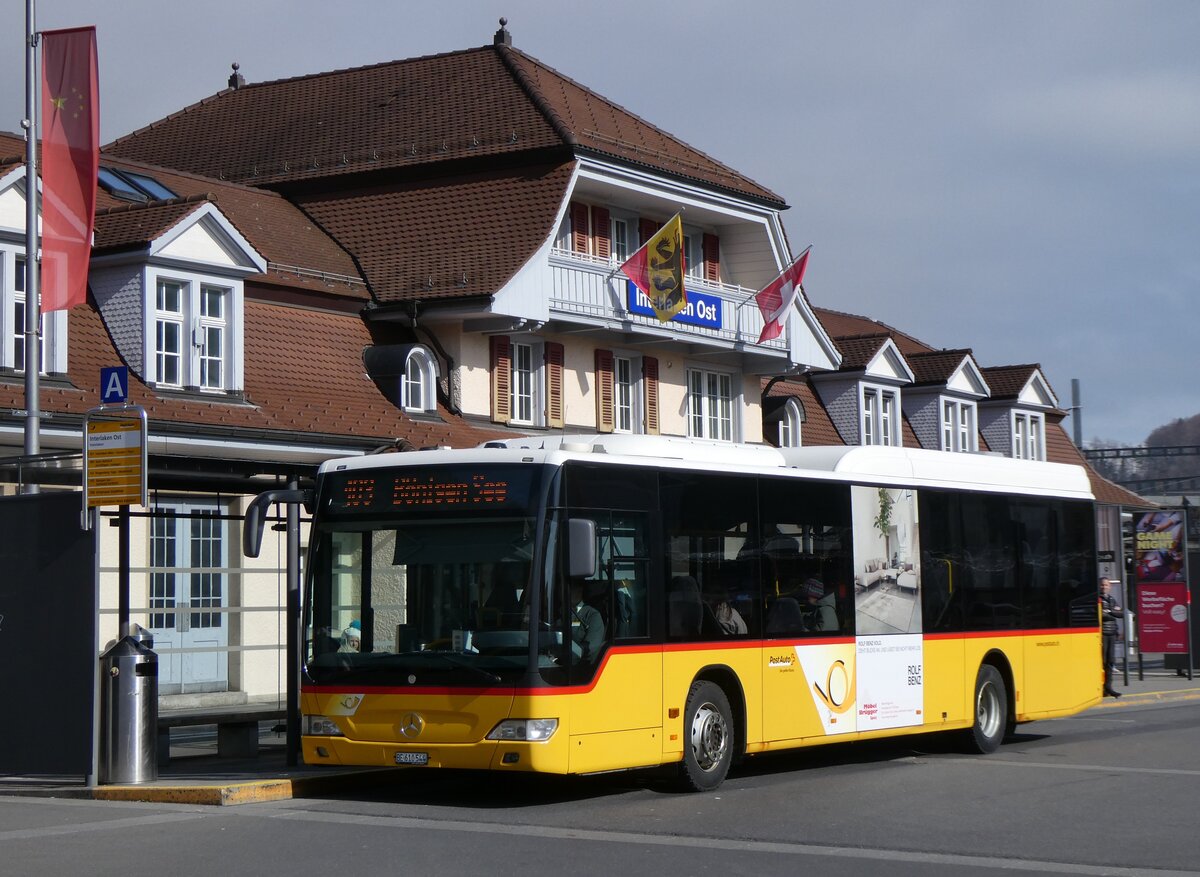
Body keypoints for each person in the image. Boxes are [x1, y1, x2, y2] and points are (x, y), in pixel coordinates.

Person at [569, 578, 605, 662]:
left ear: (580, 591)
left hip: (583, 667)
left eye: (571, 589)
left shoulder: (592, 615)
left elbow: (590, 647)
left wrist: (565, 654)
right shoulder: (561, 613)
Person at [1099, 577, 1121, 698]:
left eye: (1106, 585)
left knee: (1110, 662)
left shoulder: (1111, 599)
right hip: (1102, 634)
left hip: (1112, 633)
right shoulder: (1098, 599)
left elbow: (1121, 613)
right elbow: (1101, 615)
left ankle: (1109, 687)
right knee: (1102, 662)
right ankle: (1102, 687)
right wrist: (1113, 612)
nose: (1104, 587)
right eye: (1102, 585)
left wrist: (1110, 611)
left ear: (1110, 587)